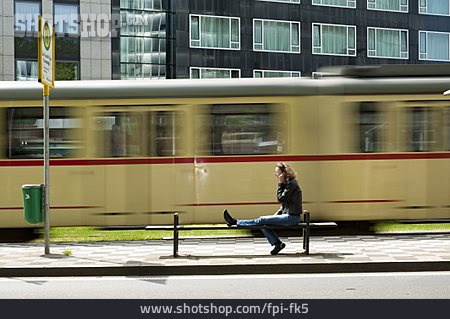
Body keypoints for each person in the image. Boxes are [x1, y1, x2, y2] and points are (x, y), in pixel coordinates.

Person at [223, 162, 303, 255]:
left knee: (262, 220)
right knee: (263, 224)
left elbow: (281, 199)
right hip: (289, 216)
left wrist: (280, 183)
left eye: (277, 173)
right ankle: (278, 244)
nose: (276, 175)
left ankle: (235, 222)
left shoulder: (291, 184)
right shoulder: (289, 184)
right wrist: (275, 216)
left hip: (292, 218)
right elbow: (284, 206)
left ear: (284, 173)